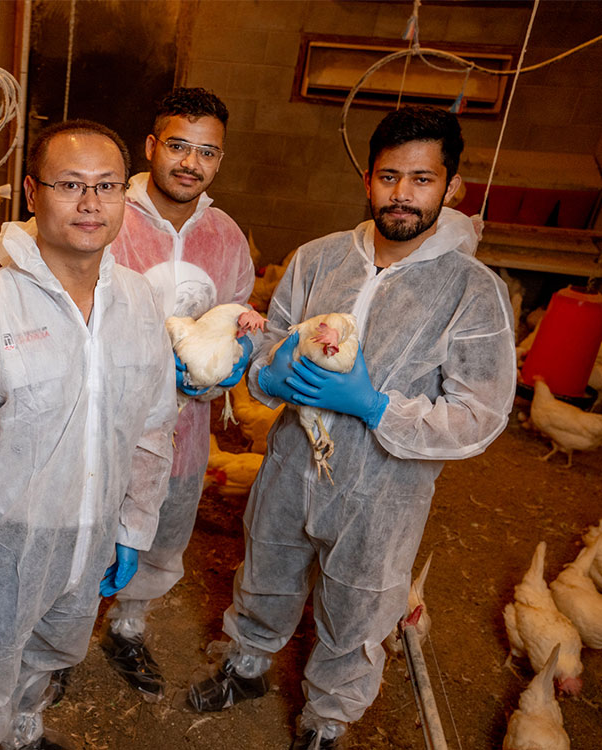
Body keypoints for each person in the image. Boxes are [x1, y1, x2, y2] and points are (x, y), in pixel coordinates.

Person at [187, 106, 515, 749]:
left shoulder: (472, 291)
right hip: (289, 462)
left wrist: (375, 406)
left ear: (452, 188)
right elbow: (270, 345)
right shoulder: (317, 259)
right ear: (368, 180)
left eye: (422, 180)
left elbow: (480, 415)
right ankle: (248, 663)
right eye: (389, 176)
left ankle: (326, 720)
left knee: (361, 602)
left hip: (382, 488)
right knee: (267, 567)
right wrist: (267, 377)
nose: (402, 194)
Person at [0, 120, 178, 750]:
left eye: (106, 186)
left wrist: (131, 527)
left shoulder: (136, 303)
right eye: (69, 185)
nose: (90, 203)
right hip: (1, 547)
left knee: (48, 658)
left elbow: (154, 427)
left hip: (91, 534)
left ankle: (22, 734)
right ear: (31, 192)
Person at [98, 87, 256, 701]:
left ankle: (127, 627)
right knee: (85, 526)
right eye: (178, 146)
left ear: (220, 159)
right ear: (151, 146)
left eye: (207, 152)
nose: (190, 163)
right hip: (104, 416)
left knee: (163, 532)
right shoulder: (108, 212)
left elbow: (240, 314)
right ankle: (55, 646)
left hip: (186, 425)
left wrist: (233, 362)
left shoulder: (227, 236)